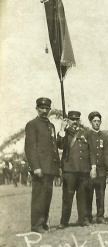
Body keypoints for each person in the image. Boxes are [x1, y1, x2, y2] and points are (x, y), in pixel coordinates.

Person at [24, 97, 61, 233]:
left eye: (47, 109)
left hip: (50, 168)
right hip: (40, 168)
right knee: (39, 197)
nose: (45, 111)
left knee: (47, 197)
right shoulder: (32, 124)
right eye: (42, 108)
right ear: (37, 109)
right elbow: (30, 148)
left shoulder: (51, 126)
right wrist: (36, 167)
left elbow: (55, 147)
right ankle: (36, 225)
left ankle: (43, 222)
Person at [57, 111, 92, 228]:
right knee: (68, 196)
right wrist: (62, 129)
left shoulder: (84, 133)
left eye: (77, 119)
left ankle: (83, 219)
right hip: (69, 170)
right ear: (68, 121)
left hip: (83, 170)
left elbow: (90, 151)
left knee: (83, 196)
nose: (75, 122)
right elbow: (60, 145)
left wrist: (91, 167)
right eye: (72, 120)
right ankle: (64, 221)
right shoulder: (64, 134)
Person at [86, 111, 108, 224]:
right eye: (94, 121)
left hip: (102, 171)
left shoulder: (104, 136)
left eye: (98, 121)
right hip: (90, 170)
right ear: (90, 122)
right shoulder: (87, 135)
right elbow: (89, 152)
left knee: (101, 195)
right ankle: (88, 217)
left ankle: (100, 216)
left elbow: (107, 154)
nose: (97, 123)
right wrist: (92, 167)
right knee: (89, 194)